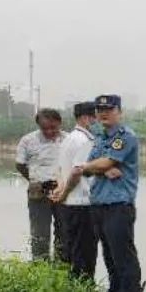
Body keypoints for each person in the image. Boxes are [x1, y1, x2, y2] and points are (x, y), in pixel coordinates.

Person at [81, 95, 142, 292]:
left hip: (118, 205)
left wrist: (101, 166)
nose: (103, 113)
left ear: (119, 112)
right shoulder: (100, 138)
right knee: (109, 256)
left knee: (123, 256)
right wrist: (99, 167)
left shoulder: (125, 137)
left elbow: (102, 163)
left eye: (109, 109)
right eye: (100, 109)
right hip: (99, 203)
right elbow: (87, 169)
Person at [49, 102, 99, 280]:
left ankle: (72, 287)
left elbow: (60, 169)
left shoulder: (69, 139)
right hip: (82, 204)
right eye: (95, 117)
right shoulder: (84, 141)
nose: (97, 121)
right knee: (85, 252)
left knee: (72, 249)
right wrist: (63, 193)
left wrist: (62, 190)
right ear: (85, 118)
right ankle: (84, 289)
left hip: (70, 205)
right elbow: (77, 172)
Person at [15, 108, 66, 261]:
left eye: (53, 128)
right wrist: (33, 180)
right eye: (45, 128)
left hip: (64, 190)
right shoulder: (28, 140)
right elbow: (20, 164)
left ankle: (62, 266)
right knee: (39, 233)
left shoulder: (69, 140)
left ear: (60, 123)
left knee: (64, 231)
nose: (49, 131)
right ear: (39, 125)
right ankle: (40, 266)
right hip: (38, 190)